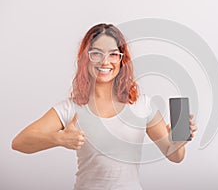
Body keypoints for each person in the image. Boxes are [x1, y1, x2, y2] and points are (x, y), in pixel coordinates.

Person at [12, 23, 198, 190]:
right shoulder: (72, 108)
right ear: (86, 58)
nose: (105, 61)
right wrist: (59, 139)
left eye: (113, 54)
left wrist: (178, 141)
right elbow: (19, 142)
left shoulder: (142, 105)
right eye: (96, 53)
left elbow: (174, 155)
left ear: (121, 60)